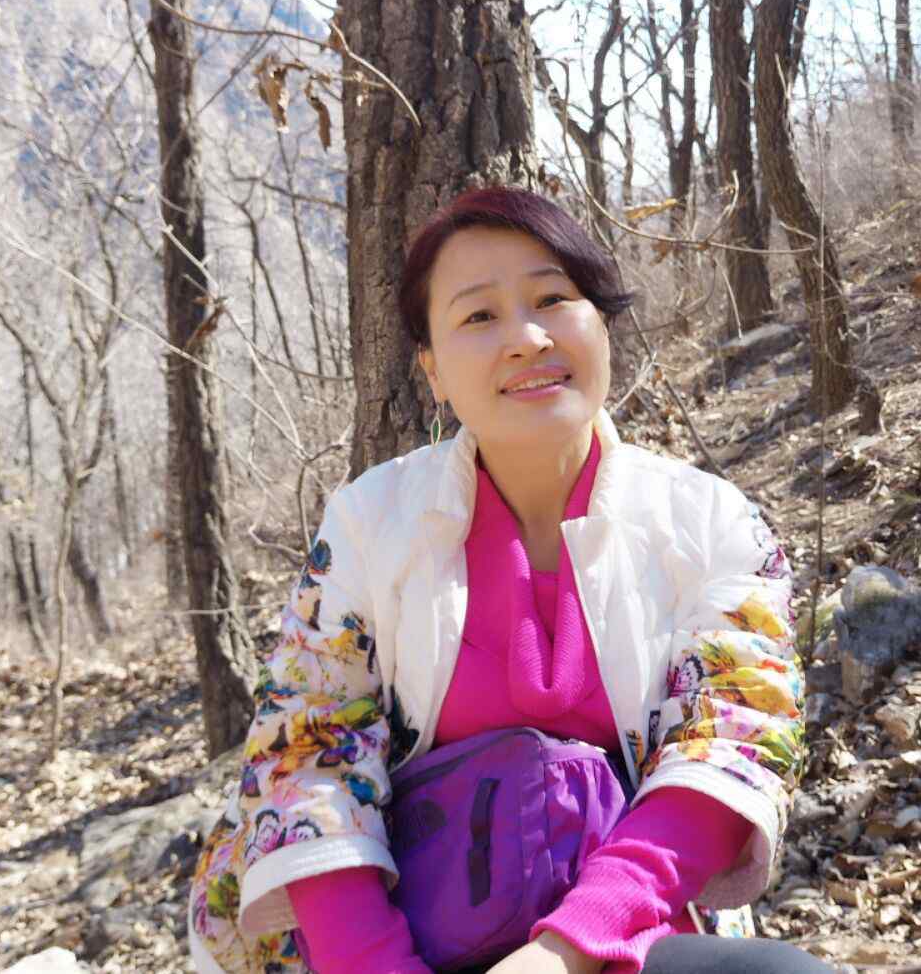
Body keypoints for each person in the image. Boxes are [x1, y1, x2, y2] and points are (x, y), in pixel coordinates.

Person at [188, 187, 832, 974]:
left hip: (617, 938)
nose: (527, 339)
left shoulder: (707, 522)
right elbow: (307, 758)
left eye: (553, 299)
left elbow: (732, 744)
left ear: (601, 322)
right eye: (479, 316)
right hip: (396, 941)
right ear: (432, 369)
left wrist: (563, 954)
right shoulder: (369, 522)